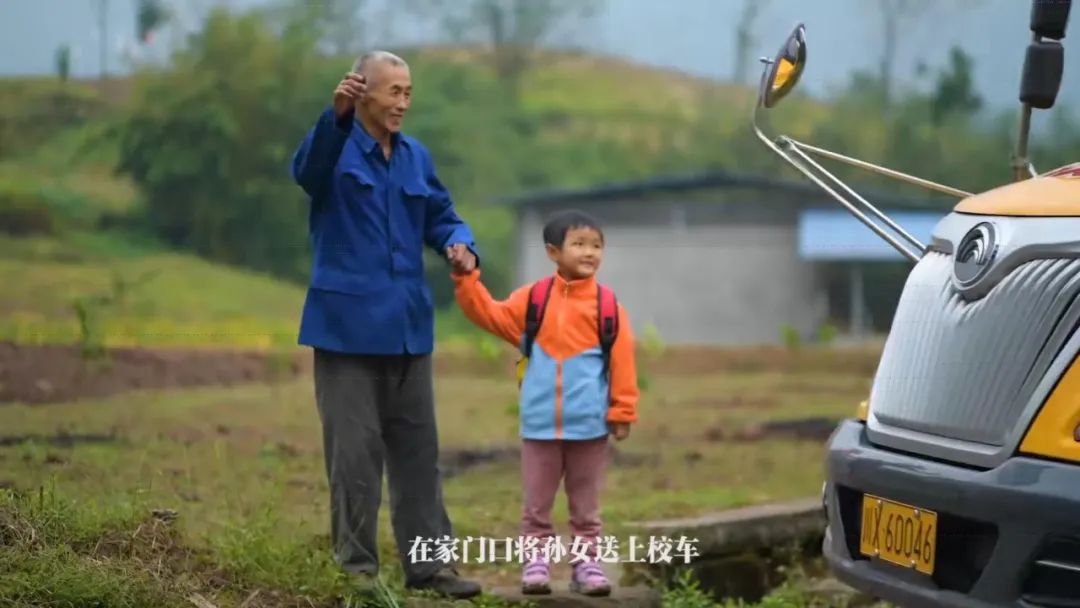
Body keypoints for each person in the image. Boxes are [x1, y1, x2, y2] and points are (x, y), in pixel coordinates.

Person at [289, 50, 482, 599]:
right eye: (393, 91)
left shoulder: (415, 157)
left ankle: (431, 569)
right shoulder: (335, 145)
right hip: (346, 331)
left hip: (408, 330)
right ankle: (357, 574)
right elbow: (306, 173)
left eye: (408, 92)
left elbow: (442, 213)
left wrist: (459, 242)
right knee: (354, 457)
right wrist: (336, 116)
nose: (402, 102)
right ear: (361, 91)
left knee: (419, 456)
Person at [448, 209, 639, 596]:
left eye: (597, 245)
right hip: (539, 427)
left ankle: (587, 566)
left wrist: (622, 410)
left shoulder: (607, 306)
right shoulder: (532, 300)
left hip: (590, 427)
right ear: (553, 252)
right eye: (579, 244)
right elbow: (488, 313)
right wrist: (466, 279)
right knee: (536, 508)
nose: (590, 253)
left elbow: (622, 361)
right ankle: (536, 564)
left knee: (586, 509)